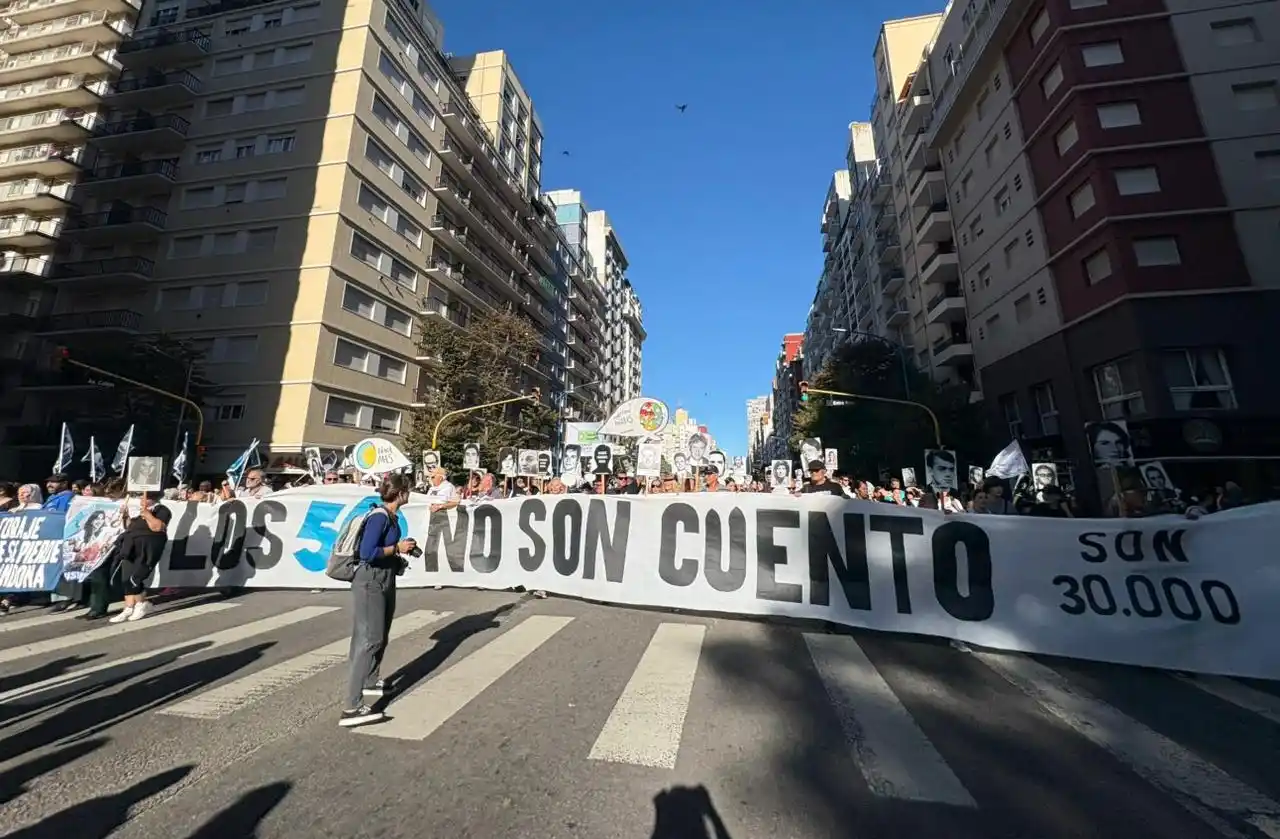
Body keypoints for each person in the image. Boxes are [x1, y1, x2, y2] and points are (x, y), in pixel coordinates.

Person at [341, 474, 417, 728]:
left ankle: (370, 680)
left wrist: (399, 552)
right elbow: (367, 553)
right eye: (409, 490)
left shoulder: (390, 517)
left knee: (380, 633)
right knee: (368, 639)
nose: (411, 494)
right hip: (370, 580)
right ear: (401, 493)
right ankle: (351, 707)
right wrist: (397, 549)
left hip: (384, 577)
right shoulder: (379, 517)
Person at [110, 491, 172, 623]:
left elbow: (157, 527)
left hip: (148, 548)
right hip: (131, 546)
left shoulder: (162, 510)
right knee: (126, 578)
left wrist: (148, 515)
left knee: (135, 578)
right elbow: (129, 527)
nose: (141, 500)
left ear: (153, 498)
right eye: (141, 497)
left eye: (144, 497)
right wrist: (125, 516)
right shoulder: (137, 511)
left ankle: (141, 604)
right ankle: (129, 607)